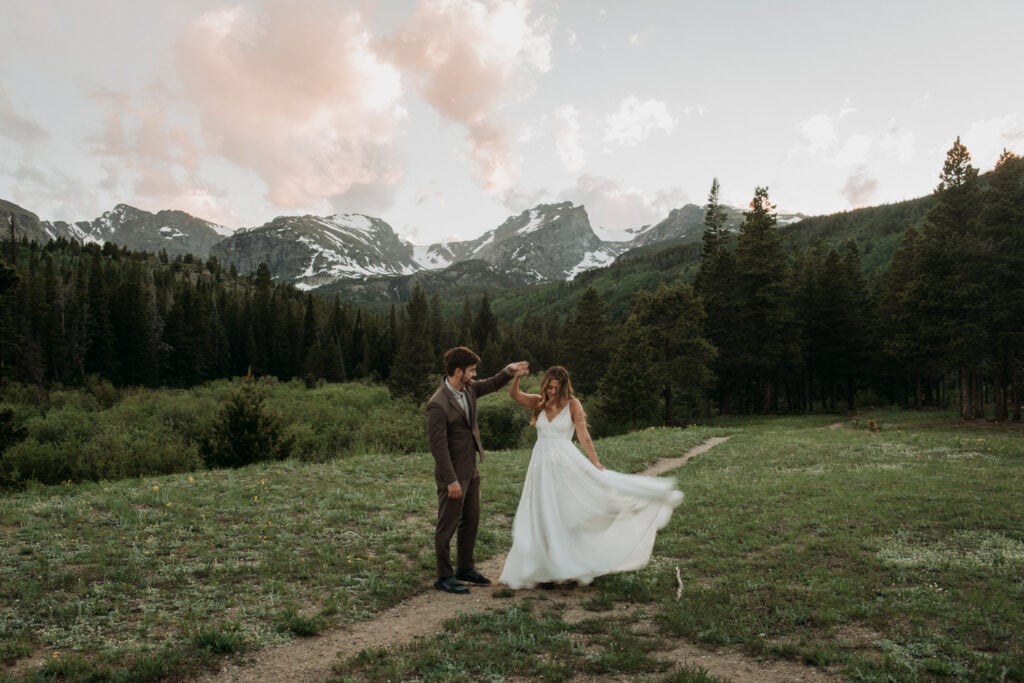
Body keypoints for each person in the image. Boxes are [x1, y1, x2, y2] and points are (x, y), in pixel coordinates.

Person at [499, 365, 683, 589]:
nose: (552, 391)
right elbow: (514, 395)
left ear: (564, 386)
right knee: (541, 513)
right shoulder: (539, 402)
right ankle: (544, 568)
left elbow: (583, 433)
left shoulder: (573, 404)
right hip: (540, 468)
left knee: (566, 513)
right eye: (549, 387)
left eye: (556, 388)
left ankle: (567, 565)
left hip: (565, 465)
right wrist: (516, 377)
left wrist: (594, 461)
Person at [426, 346, 528, 594]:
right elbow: (438, 449)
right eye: (472, 370)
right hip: (452, 474)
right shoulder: (437, 404)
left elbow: (491, 384)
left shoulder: (468, 389)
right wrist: (451, 481)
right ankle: (444, 576)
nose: (475, 374)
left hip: (470, 469)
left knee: (471, 519)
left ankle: (465, 568)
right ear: (458, 371)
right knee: (447, 525)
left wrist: (508, 371)